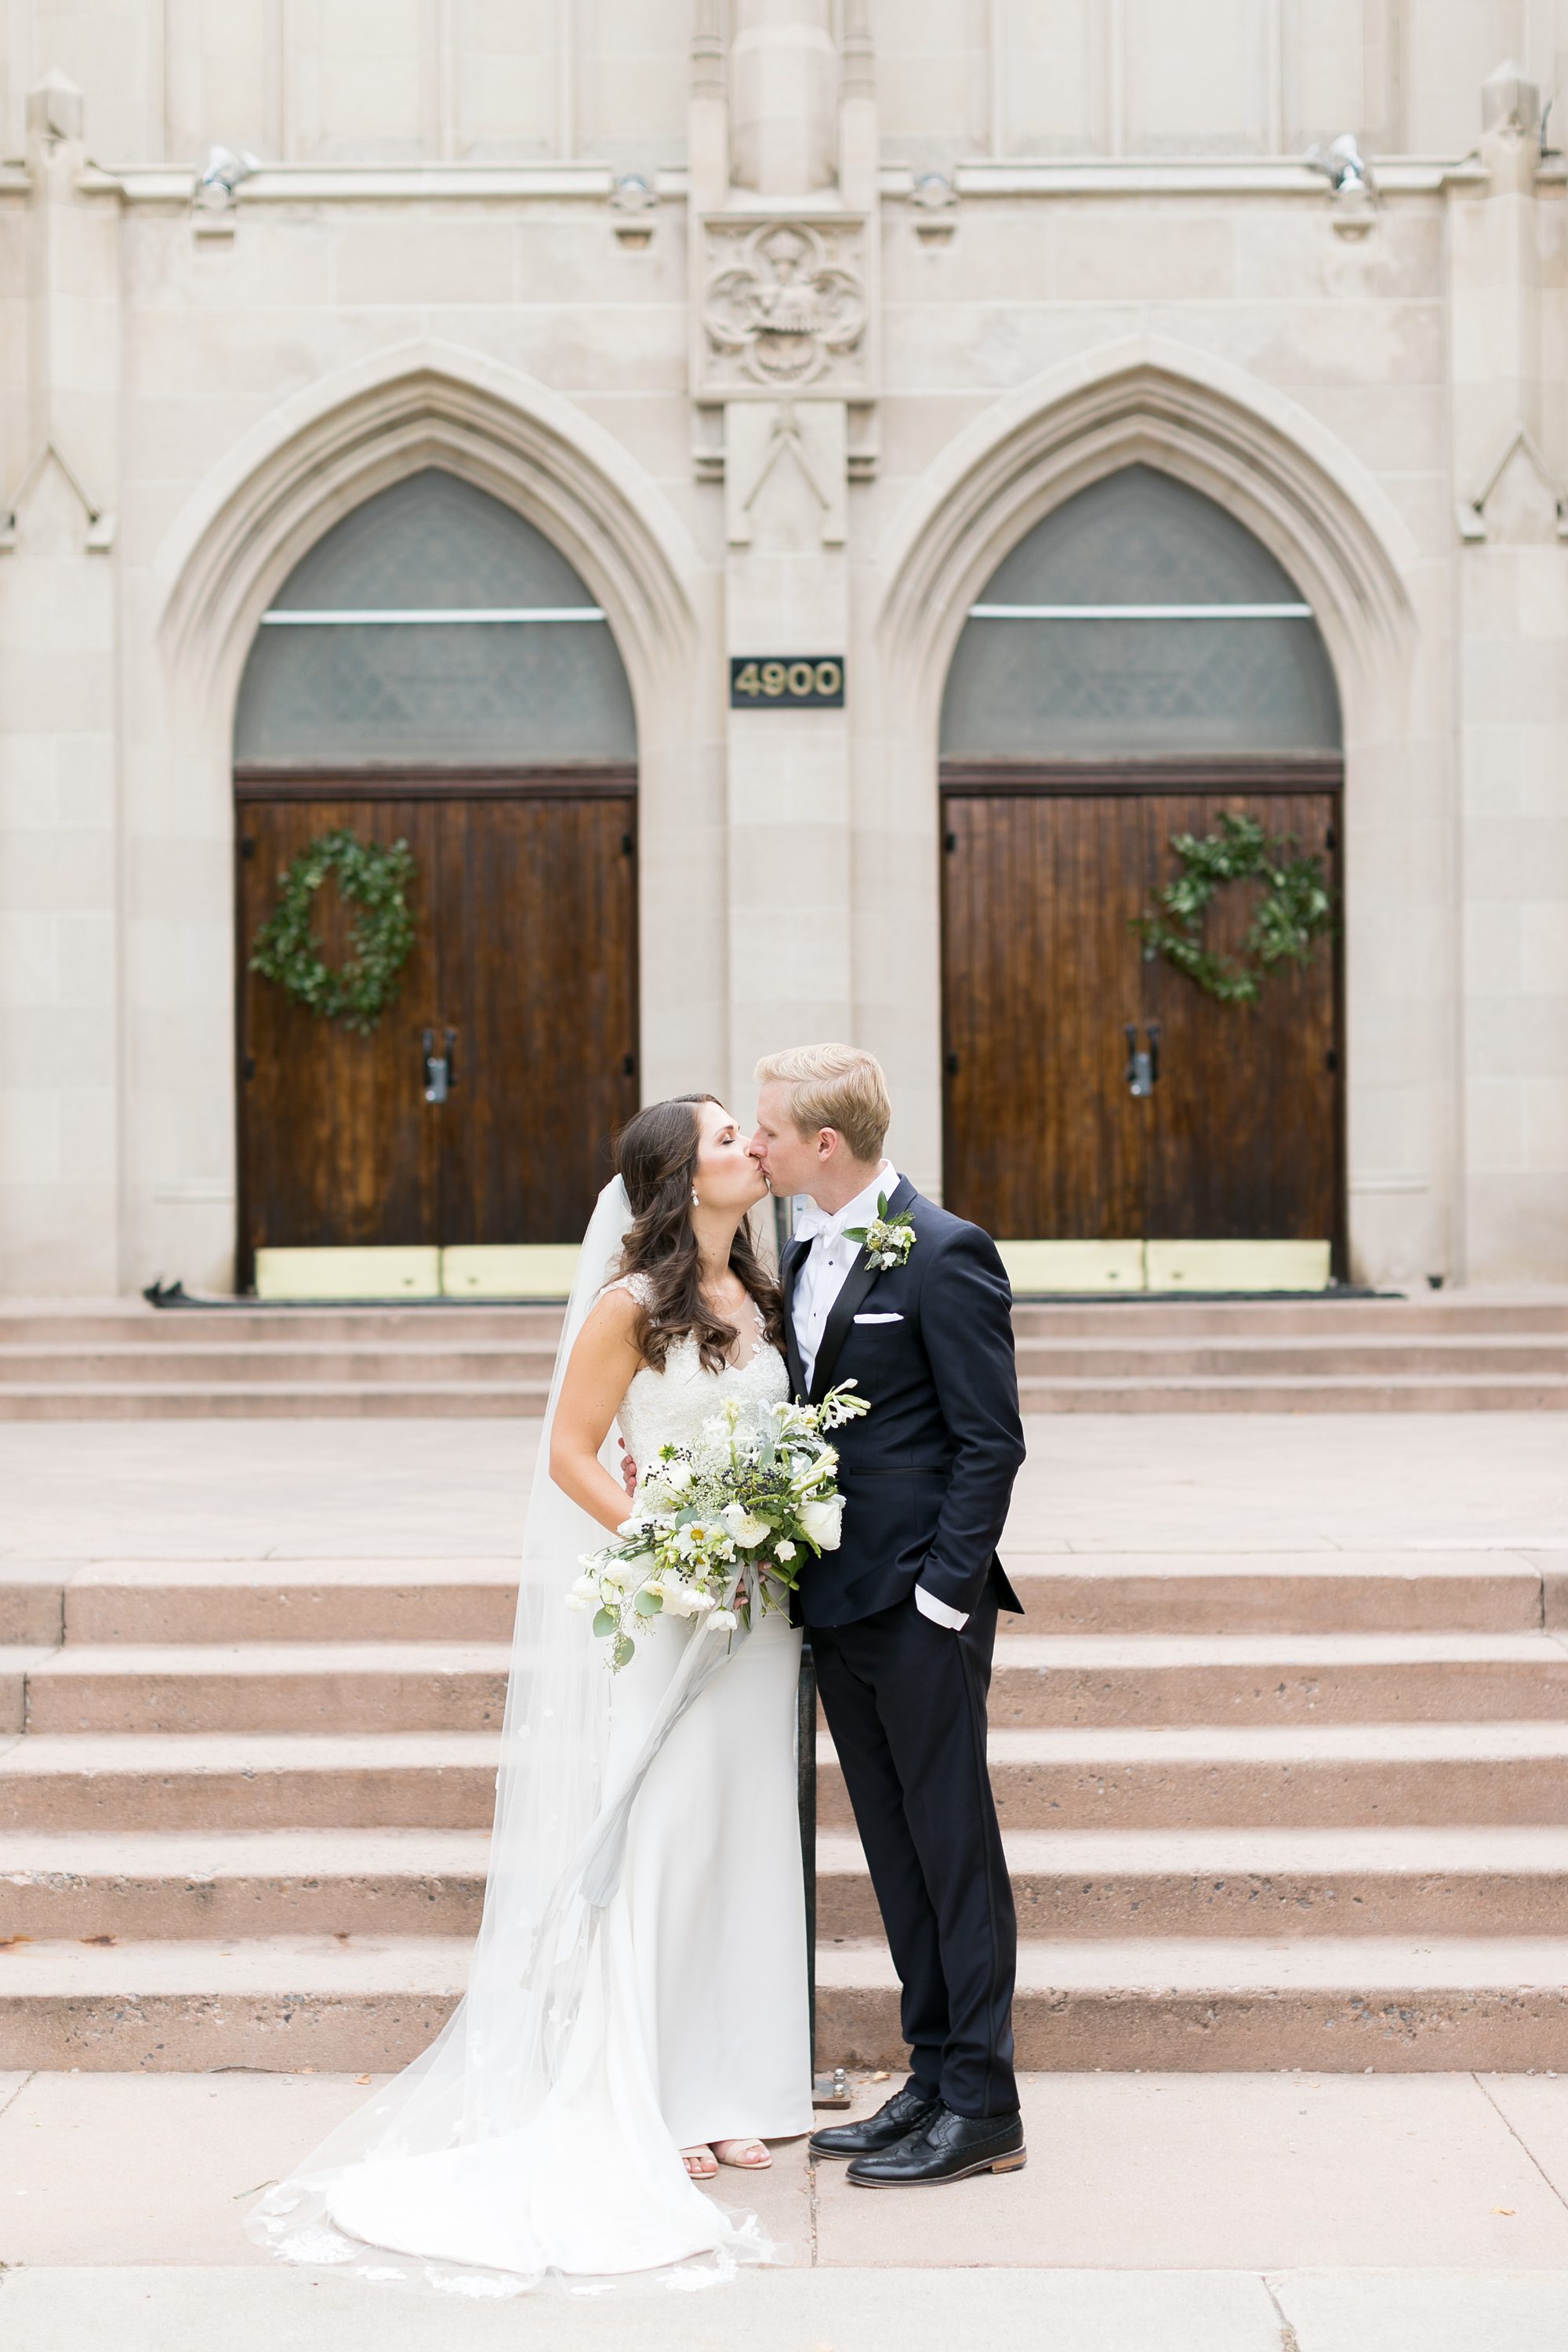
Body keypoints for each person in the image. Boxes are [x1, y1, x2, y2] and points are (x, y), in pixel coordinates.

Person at [246, 1095, 811, 2296]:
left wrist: (766, 1534)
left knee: (739, 1837)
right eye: (723, 1139)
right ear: (676, 1177)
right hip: (671, 1607)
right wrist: (668, 1545)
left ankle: (730, 2082)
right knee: (660, 1836)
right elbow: (568, 1450)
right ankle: (647, 2088)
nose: (747, 1149)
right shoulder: (628, 1307)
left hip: (761, 1619)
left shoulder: (762, 1301)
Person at [750, 1044, 1028, 2188]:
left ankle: (986, 2103)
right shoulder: (793, 1246)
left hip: (918, 1609)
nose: (754, 1146)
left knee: (954, 1850)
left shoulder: (947, 1252)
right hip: (835, 1604)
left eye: (768, 1130)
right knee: (898, 1854)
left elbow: (989, 1441)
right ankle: (930, 2075)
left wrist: (939, 1598)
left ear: (825, 1143)